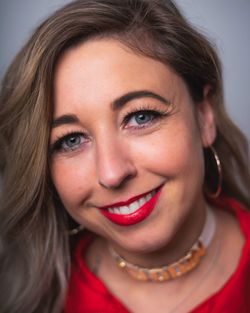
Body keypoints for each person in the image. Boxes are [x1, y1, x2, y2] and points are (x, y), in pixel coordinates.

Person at [0, 0, 249, 312]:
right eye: (71, 140)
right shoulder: (24, 293)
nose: (112, 173)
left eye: (140, 117)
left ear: (204, 117)